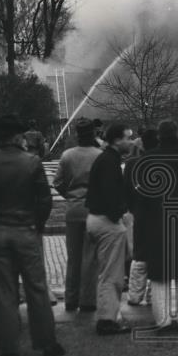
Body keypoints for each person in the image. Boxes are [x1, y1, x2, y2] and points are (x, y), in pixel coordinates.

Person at [0, 115, 64, 356]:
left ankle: (8, 348)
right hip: (25, 230)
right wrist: (36, 223)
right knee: (36, 288)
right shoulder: (31, 162)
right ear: (17, 137)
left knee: (4, 291)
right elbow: (44, 200)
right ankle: (46, 343)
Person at [133, 120, 178, 331]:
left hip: (157, 223)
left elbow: (142, 197)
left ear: (159, 136)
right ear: (176, 135)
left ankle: (163, 321)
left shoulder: (146, 158)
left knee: (159, 276)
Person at [84, 122, 133, 335]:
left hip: (97, 219)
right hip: (106, 221)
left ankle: (107, 316)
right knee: (112, 274)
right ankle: (106, 320)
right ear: (116, 140)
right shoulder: (109, 162)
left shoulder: (106, 159)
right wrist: (120, 216)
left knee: (107, 271)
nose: (131, 142)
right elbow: (110, 193)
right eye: (127, 138)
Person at [54, 119, 102, 313]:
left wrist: (70, 195)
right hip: (93, 210)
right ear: (93, 135)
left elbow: (57, 182)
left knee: (73, 258)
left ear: (76, 135)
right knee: (90, 258)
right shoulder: (100, 156)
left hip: (73, 210)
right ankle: (88, 300)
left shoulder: (67, 155)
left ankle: (71, 299)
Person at [125, 129, 159, 307]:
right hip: (158, 216)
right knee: (157, 256)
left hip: (138, 214)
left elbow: (127, 191)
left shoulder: (131, 164)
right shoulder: (160, 162)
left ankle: (134, 295)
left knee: (139, 256)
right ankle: (153, 295)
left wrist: (132, 209)